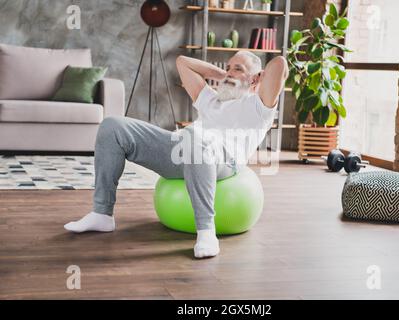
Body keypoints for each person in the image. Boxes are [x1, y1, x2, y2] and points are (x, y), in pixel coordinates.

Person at [64, 50, 288, 259]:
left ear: (256, 78)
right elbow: (183, 63)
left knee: (196, 141)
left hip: (221, 159)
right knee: (112, 126)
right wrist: (223, 74)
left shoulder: (259, 107)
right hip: (180, 148)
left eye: (237, 68)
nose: (230, 72)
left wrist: (255, 79)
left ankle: (207, 231)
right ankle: (102, 214)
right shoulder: (211, 99)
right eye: (228, 67)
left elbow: (279, 64)